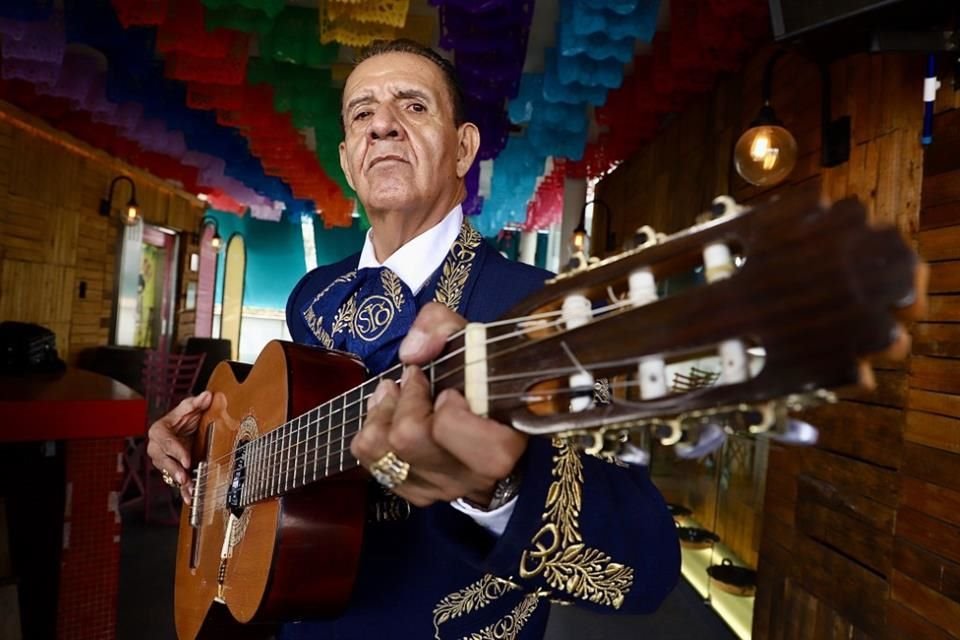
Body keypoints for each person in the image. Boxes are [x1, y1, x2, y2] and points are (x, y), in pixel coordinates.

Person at [147, 39, 679, 639]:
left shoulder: (550, 311)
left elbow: (644, 568)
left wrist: (502, 486)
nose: (382, 126)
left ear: (463, 149)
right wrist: (207, 446)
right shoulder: (313, 295)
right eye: (361, 113)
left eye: (413, 107)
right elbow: (277, 418)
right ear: (348, 160)